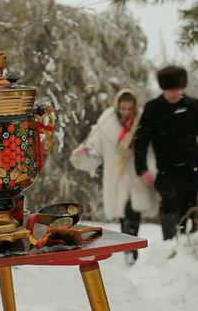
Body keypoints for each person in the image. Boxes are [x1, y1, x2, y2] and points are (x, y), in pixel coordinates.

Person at [70, 88, 159, 264]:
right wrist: (83, 156)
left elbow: (150, 149)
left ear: (135, 108)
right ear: (118, 106)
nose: (126, 112)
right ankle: (126, 249)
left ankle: (131, 249)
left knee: (133, 211)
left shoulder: (143, 121)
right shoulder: (106, 122)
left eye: (130, 109)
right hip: (115, 174)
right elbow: (94, 145)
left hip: (136, 172)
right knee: (122, 213)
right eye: (123, 108)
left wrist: (151, 169)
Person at [134, 66, 198, 240]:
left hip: (189, 169)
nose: (172, 94)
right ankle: (169, 243)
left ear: (182, 88)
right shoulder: (153, 108)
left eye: (176, 90)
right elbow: (141, 140)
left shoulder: (194, 106)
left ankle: (187, 243)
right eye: (168, 90)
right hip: (164, 169)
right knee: (169, 202)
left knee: (189, 205)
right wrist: (142, 169)